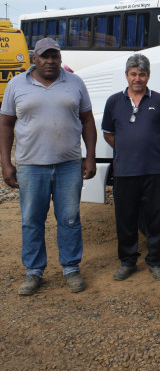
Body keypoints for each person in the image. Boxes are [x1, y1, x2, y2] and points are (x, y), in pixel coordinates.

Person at [0, 37, 97, 296]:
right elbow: (6, 125)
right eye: (45, 56)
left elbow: (87, 120)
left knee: (69, 218)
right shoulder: (16, 85)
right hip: (31, 166)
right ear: (35, 59)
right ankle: (33, 272)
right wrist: (6, 164)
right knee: (32, 220)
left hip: (68, 165)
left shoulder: (75, 83)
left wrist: (90, 157)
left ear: (60, 58)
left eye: (55, 56)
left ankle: (71, 268)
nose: (50, 61)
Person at [102, 54, 160, 281]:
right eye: (133, 74)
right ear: (127, 75)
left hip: (154, 170)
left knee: (155, 219)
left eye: (142, 74)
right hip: (125, 171)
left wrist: (152, 147)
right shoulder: (114, 101)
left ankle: (155, 261)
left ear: (148, 76)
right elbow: (108, 133)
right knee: (125, 218)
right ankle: (127, 262)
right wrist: (127, 149)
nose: (138, 78)